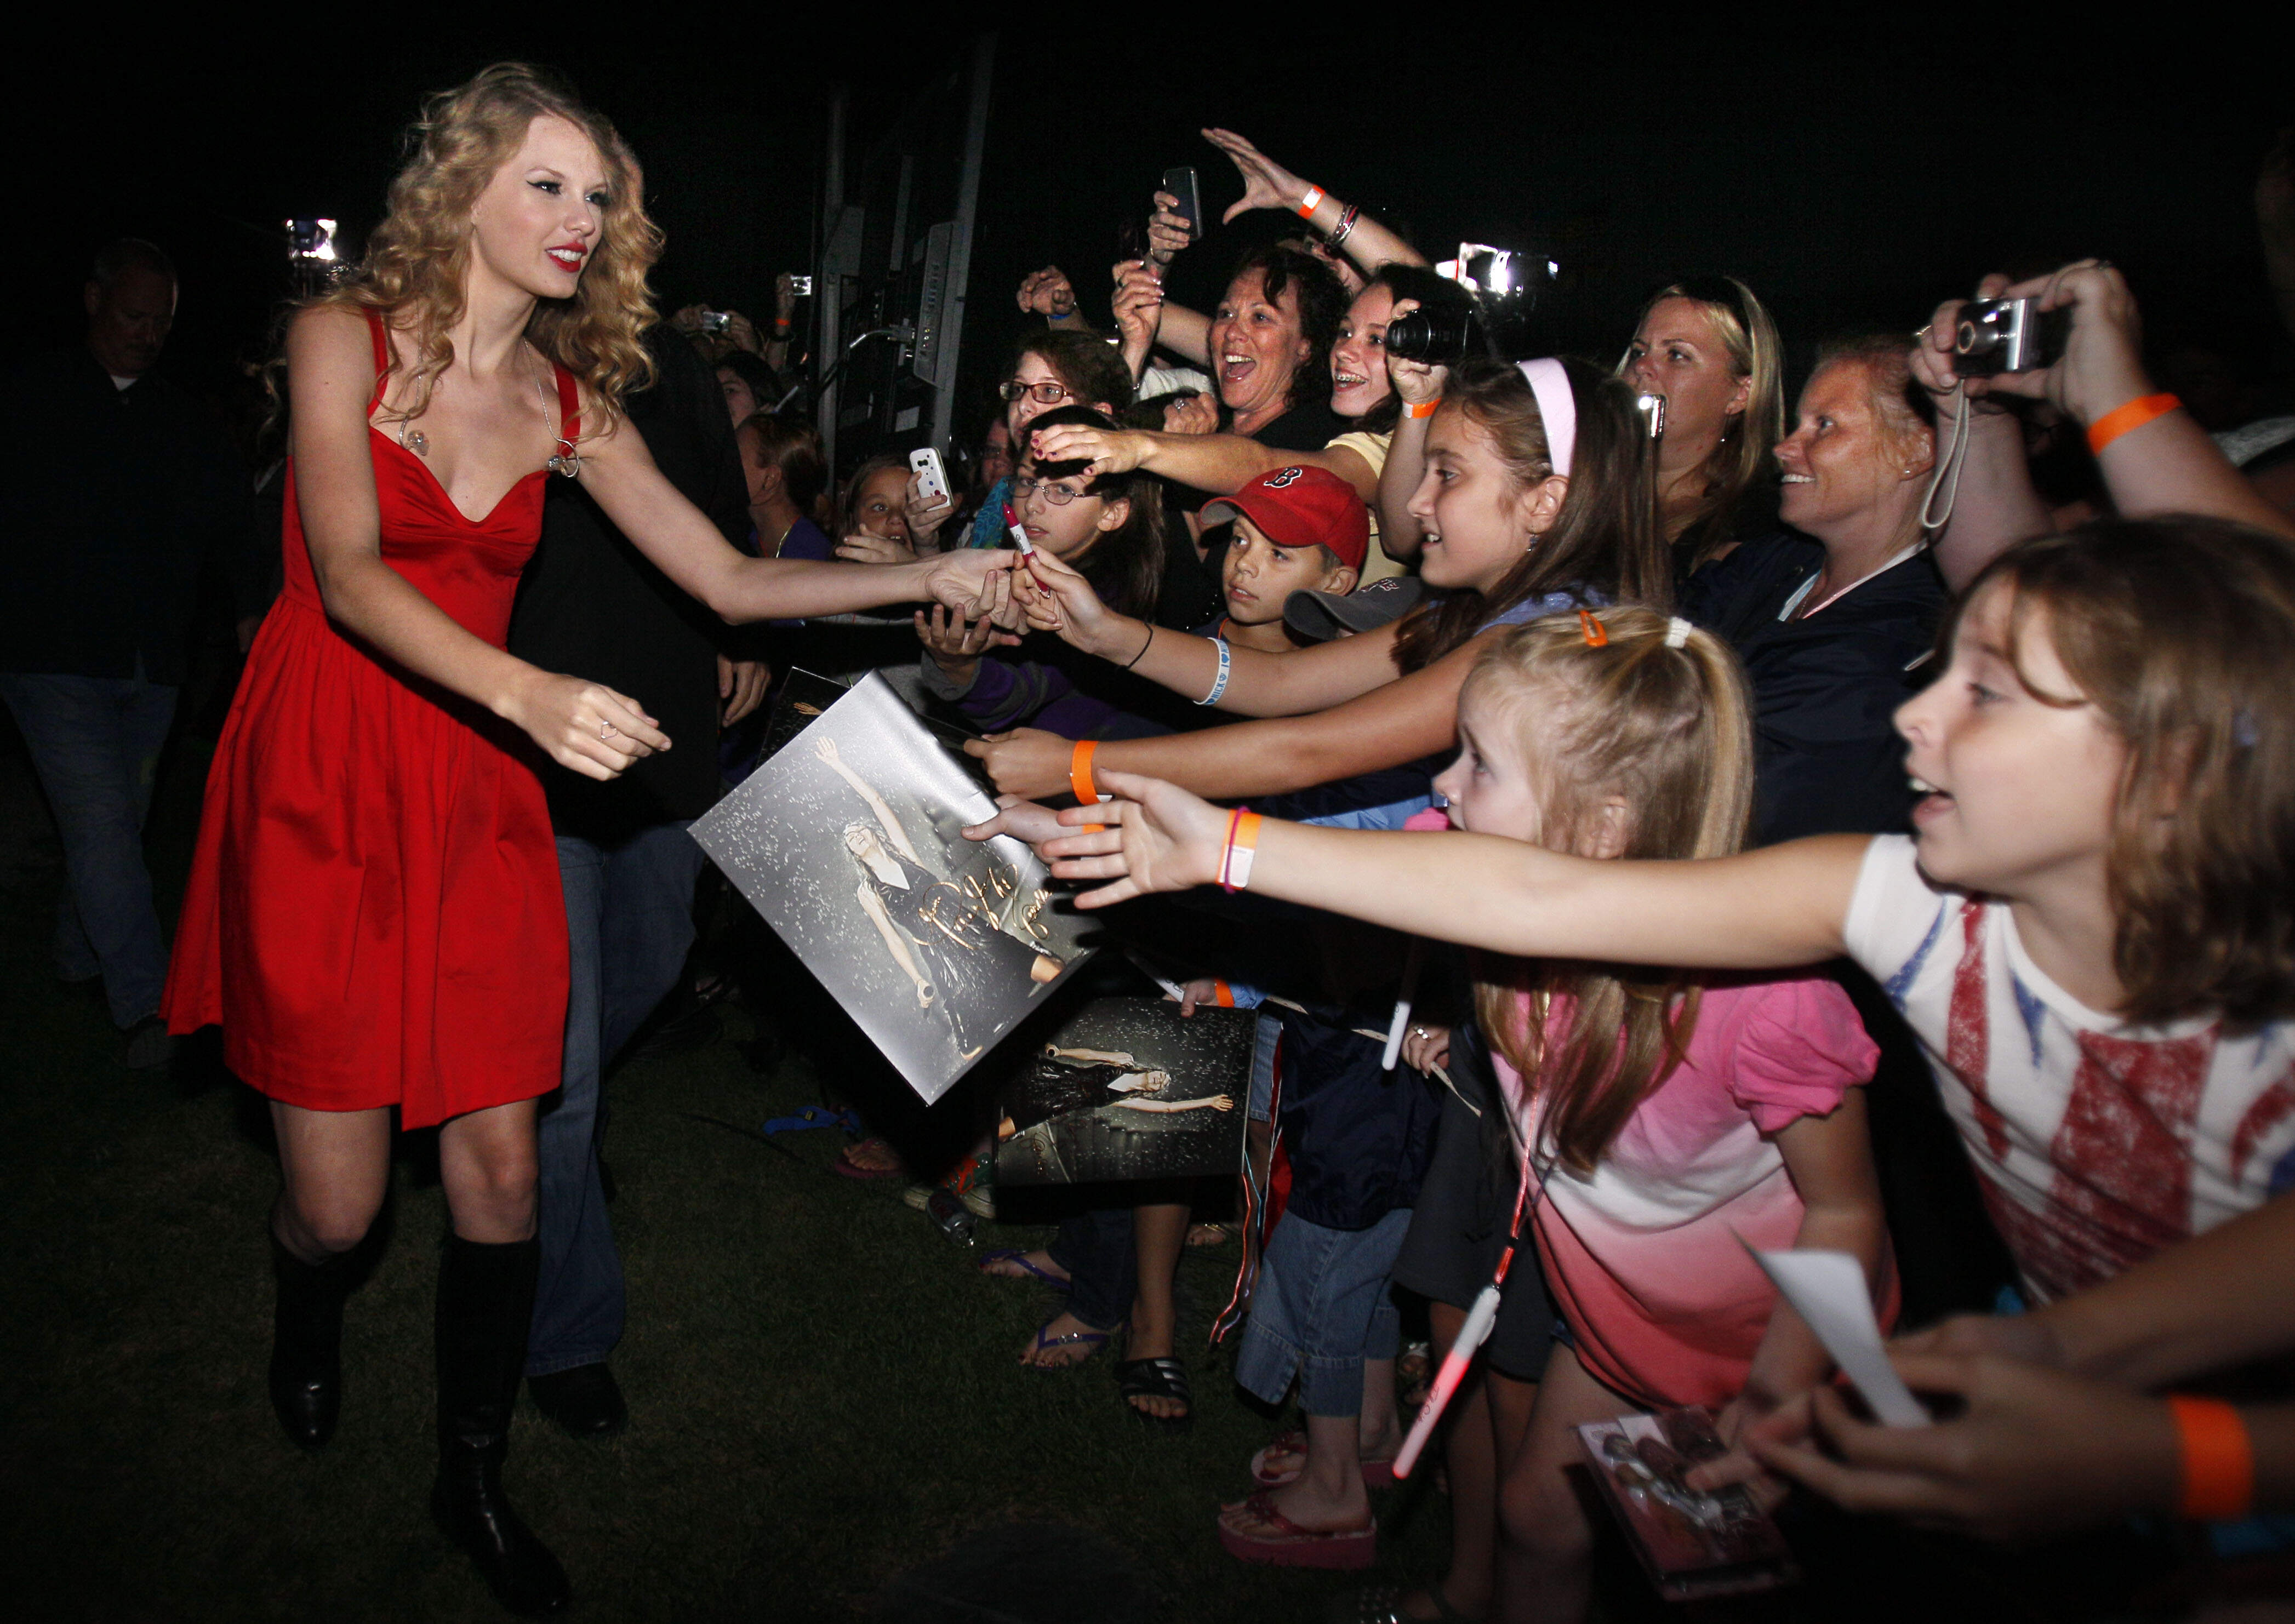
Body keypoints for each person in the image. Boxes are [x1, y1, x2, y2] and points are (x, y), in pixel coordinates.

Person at [1038, 514, 2295, 1600]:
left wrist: (2172, 1455)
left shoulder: (2263, 1057)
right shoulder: (1896, 900)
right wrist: (1215, 847)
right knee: (1545, 1518)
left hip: (2195, 1436)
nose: (1915, 710)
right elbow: (1537, 896)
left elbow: (1843, 1207)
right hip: (1731, 1342)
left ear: (2171, 766)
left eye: (1992, 692)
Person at [158, 64, 1011, 1617]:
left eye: (598, 196)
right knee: (339, 1208)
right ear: (463, 187)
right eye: (546, 183)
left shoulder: (570, 404)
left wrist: (932, 572)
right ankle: (306, 1297)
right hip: (330, 771)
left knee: (503, 1165)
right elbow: (348, 572)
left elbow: (733, 582)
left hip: (485, 785)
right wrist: (530, 690)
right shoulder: (343, 335)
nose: (579, 217)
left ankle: (471, 1473)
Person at [969, 357, 1666, 807]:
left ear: (1545, 502)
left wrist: (1081, 769)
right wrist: (1104, 632)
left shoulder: (1545, 643)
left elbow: (1307, 750)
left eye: (1448, 475)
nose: (1418, 503)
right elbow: (1281, 685)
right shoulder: (1468, 615)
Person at [501, 324, 759, 1441]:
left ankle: (520, 1129)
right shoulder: (490, 353)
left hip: (664, 733)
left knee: (650, 969)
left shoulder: (671, 364)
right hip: (534, 745)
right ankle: (566, 1331)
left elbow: (724, 521)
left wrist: (745, 634)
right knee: (560, 1071)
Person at [0, 238, 263, 1068]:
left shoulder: (183, 422)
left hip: (152, 667)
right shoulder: (31, 400)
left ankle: (78, 956)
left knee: (120, 821)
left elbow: (236, 534)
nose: (146, 335)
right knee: (105, 826)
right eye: (132, 317)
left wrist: (254, 622)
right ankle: (148, 1007)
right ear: (93, 302)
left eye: (160, 323)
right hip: (53, 659)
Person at [1034, 265, 1482, 582]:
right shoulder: (1222, 410)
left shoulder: (1386, 442)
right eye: (1345, 333)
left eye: (1378, 340)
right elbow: (1233, 342)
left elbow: (1268, 468)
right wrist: (1143, 312)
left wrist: (1143, 448)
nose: (1346, 351)